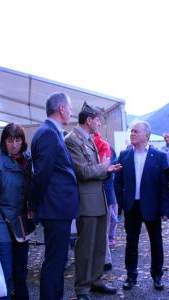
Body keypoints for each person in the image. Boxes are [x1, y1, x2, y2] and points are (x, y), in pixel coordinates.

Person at [65, 103, 121, 300]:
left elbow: (92, 169)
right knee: (85, 247)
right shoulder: (72, 140)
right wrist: (105, 168)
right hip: (86, 202)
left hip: (98, 199)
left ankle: (96, 281)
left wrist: (106, 169)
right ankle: (81, 288)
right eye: (97, 119)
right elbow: (83, 171)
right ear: (88, 120)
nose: (99, 123)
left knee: (98, 245)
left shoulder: (86, 138)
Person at [30, 92, 80, 300]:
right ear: (61, 109)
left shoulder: (51, 132)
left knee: (58, 260)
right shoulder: (48, 134)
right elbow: (41, 175)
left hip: (57, 207)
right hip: (55, 208)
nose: (71, 112)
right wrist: (33, 205)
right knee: (55, 261)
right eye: (69, 108)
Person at [114, 121, 169, 292]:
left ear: (146, 135)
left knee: (156, 242)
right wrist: (121, 203)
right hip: (131, 206)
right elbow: (118, 182)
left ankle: (157, 275)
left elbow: (164, 185)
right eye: (131, 131)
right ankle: (131, 275)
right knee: (131, 242)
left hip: (152, 206)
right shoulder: (124, 155)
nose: (132, 134)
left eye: (136, 131)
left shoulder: (159, 156)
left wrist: (165, 209)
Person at [0, 123, 32, 300]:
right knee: (5, 273)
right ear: (3, 142)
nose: (14, 144)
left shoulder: (27, 161)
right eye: (10, 140)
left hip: (21, 224)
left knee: (21, 269)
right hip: (0, 225)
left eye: (18, 139)